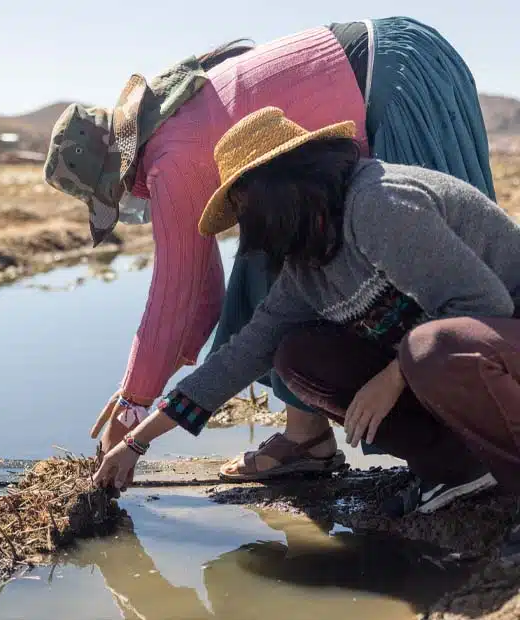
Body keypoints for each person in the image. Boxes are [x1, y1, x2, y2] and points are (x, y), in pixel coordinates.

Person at [44, 17, 495, 483]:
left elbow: (181, 296)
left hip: (397, 79)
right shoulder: (180, 119)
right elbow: (246, 349)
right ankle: (318, 437)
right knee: (284, 309)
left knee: (434, 286)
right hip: (398, 60)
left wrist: (133, 402)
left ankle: (476, 448)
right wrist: (140, 434)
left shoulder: (375, 203)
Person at [92, 107, 520, 517]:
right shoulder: (307, 265)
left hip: (504, 341)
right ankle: (455, 468)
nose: (246, 224)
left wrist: (394, 376)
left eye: (243, 207)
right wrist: (136, 442)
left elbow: (483, 305)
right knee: (299, 358)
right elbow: (240, 357)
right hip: (462, 365)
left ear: (276, 190)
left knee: (426, 348)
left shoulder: (379, 205)